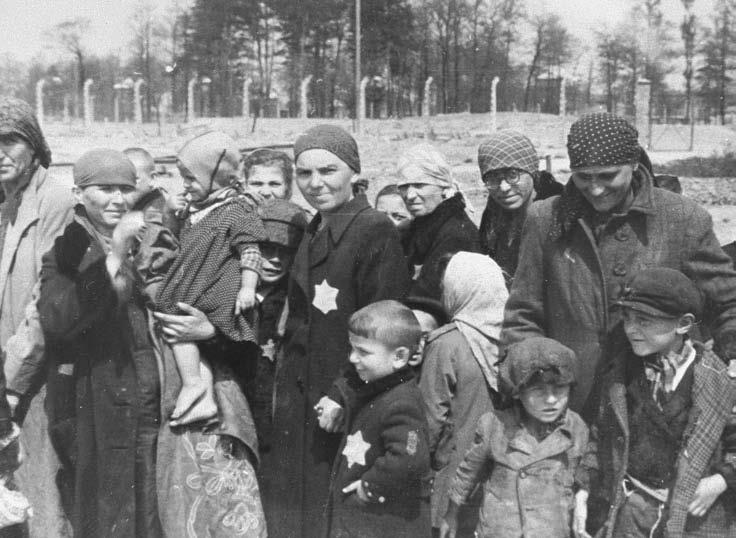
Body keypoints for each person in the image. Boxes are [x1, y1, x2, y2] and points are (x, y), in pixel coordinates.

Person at [502, 112, 736, 417]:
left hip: (660, 402)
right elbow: (523, 312)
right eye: (583, 177)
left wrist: (729, 358)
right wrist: (531, 380)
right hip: (570, 397)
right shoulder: (546, 218)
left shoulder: (682, 218)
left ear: (635, 163)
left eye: (608, 175)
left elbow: (727, 302)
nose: (595, 188)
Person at [262, 125, 410, 538]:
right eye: (304, 173)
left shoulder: (373, 227)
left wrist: (346, 393)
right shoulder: (316, 226)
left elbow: (384, 327)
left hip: (340, 396)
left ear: (354, 172)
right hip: (302, 395)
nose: (315, 183)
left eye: (328, 171)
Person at [38, 149, 162, 537]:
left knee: (151, 507)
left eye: (126, 189)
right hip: (94, 399)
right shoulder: (68, 248)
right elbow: (58, 319)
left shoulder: (150, 240)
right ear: (78, 193)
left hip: (149, 396)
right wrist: (114, 257)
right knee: (107, 510)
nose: (118, 199)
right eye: (105, 189)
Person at [575, 267, 736, 538]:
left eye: (644, 321)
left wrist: (721, 481)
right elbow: (600, 437)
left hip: (695, 520)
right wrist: (583, 491)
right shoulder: (619, 375)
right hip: (631, 516)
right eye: (627, 318)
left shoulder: (719, 380)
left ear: (683, 324)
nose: (631, 329)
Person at [152, 131, 267, 424]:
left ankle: (194, 384)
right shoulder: (200, 209)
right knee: (183, 327)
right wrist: (171, 214)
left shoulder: (237, 210)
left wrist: (248, 288)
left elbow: (250, 251)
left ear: (215, 177)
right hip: (198, 284)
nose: (186, 185)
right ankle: (201, 395)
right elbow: (180, 242)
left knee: (177, 317)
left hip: (218, 289)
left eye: (191, 178)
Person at [0, 96, 75, 538]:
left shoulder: (55, 201)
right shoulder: (8, 200)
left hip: (34, 375)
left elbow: (44, 302)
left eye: (9, 141)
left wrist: (11, 386)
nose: (0, 154)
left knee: (39, 492)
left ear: (34, 146)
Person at [440, 337, 589, 538]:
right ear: (518, 392)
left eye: (560, 389)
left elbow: (582, 474)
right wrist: (451, 515)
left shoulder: (576, 428)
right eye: (539, 390)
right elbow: (468, 473)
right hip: (501, 530)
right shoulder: (494, 425)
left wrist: (582, 497)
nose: (551, 399)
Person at [418, 251, 508, 535]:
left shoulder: (446, 343)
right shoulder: (512, 341)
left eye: (445, 287)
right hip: (495, 476)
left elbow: (430, 418)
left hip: (450, 473)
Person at [325, 300, 431, 538]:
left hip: (384, 524)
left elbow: (411, 458)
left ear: (399, 357)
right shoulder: (377, 389)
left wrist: (370, 486)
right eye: (352, 349)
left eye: (363, 352)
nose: (352, 358)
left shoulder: (402, 403)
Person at [245, 198, 307, 453]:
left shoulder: (295, 302)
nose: (276, 260)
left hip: (275, 413)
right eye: (267, 249)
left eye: (286, 252)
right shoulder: (229, 293)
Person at [396, 143, 480, 304]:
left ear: (443, 187)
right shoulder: (419, 227)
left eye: (420, 185)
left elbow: (428, 299)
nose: (410, 195)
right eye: (404, 186)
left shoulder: (456, 234)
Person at [477, 130, 562, 283]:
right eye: (493, 179)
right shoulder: (492, 214)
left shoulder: (557, 214)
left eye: (512, 175)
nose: (503, 188)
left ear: (532, 172)